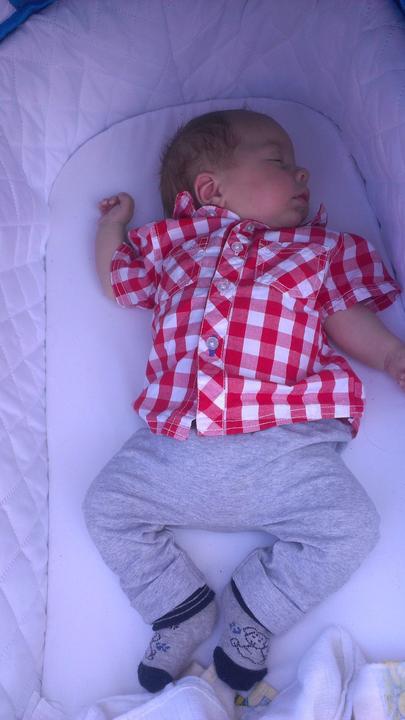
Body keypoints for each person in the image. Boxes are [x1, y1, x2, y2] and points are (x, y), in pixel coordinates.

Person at [83, 109, 405, 694]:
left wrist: (389, 355)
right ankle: (177, 605)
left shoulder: (313, 251)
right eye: (280, 162)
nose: (304, 174)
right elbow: (117, 279)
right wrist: (115, 224)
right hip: (176, 447)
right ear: (211, 190)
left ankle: (256, 607)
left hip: (285, 447)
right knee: (105, 507)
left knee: (354, 528)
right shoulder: (175, 250)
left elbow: (344, 316)